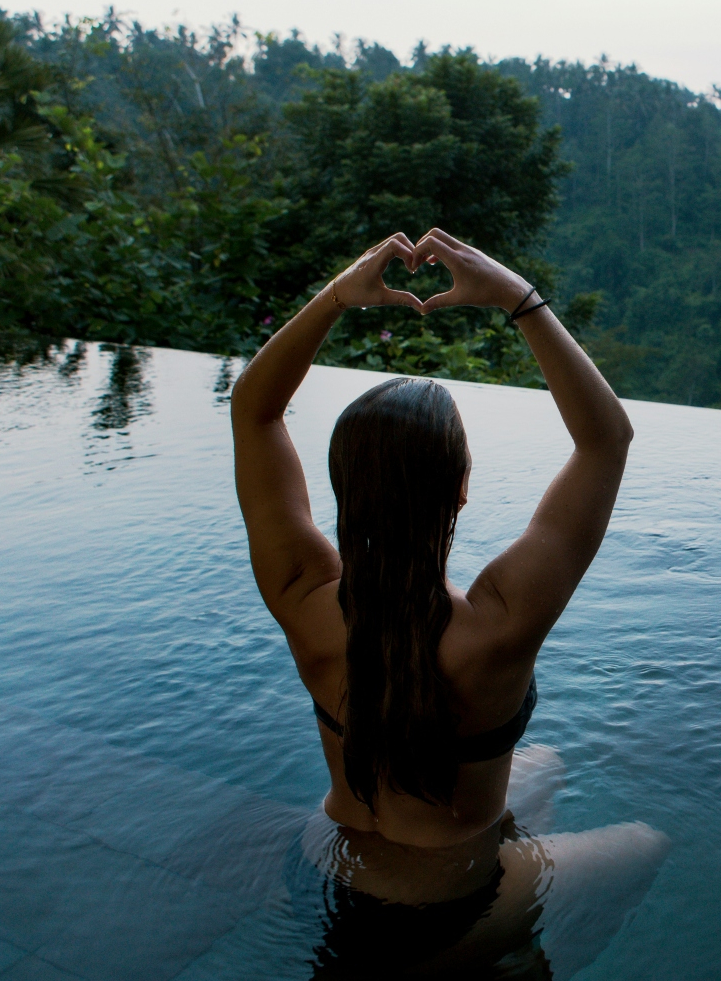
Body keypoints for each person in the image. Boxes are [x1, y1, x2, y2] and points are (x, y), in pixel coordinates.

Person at [231, 229, 669, 978]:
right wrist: (517, 297)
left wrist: (339, 295)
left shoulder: (303, 595)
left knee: (547, 765)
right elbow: (606, 440)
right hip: (445, 908)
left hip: (320, 863)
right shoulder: (498, 621)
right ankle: (481, 959)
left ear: (343, 489)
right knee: (647, 843)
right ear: (460, 488)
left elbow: (254, 409)